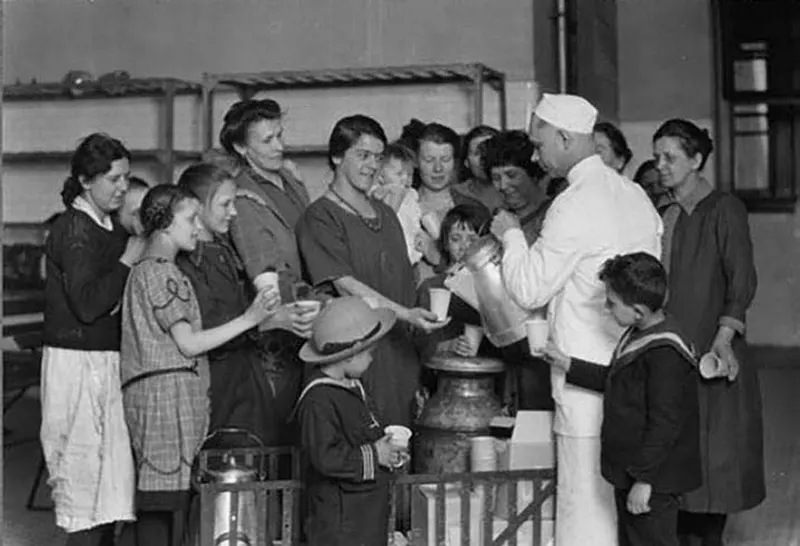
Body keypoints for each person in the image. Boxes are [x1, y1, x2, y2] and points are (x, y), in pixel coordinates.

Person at [491, 93, 663, 546]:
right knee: (623, 509)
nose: (534, 153)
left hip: (581, 379)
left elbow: (529, 288)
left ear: (565, 138)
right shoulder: (635, 195)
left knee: (583, 509)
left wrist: (510, 234)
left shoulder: (573, 202)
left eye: (538, 141)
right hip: (630, 372)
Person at [119, 184, 278, 545]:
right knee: (162, 501)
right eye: (189, 219)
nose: (196, 227)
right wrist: (250, 318)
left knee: (165, 499)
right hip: (165, 401)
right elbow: (188, 343)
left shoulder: (154, 271)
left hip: (167, 397)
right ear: (164, 224)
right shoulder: (161, 273)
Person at [653, 118, 764, 546]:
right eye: (657, 156)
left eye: (671, 158)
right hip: (673, 353)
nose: (661, 166)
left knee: (712, 465)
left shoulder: (723, 209)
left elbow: (741, 283)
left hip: (712, 353)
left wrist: (721, 343)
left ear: (697, 160)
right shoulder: (665, 215)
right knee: (678, 463)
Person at [296, 114, 445, 428]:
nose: (372, 166)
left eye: (378, 158)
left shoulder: (387, 215)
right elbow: (346, 286)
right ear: (337, 156)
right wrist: (405, 314)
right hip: (359, 356)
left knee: (407, 446)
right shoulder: (320, 217)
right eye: (362, 155)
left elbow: (404, 278)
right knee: (370, 448)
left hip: (403, 354)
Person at [545, 253, 701, 546]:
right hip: (635, 471)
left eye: (612, 302)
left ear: (638, 310)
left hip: (652, 478)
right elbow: (620, 382)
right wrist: (567, 363)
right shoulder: (642, 330)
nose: (607, 307)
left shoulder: (665, 353)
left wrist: (644, 480)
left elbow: (665, 423)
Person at [39, 133, 142, 546]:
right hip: (76, 366)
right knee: (83, 490)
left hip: (104, 363)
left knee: (108, 492)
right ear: (85, 180)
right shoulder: (73, 228)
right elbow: (87, 304)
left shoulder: (108, 226)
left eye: (126, 179)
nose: (122, 188)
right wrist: (127, 261)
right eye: (113, 179)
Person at [176, 163, 318, 445]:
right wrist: (271, 320)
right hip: (217, 380)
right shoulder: (189, 263)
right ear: (196, 207)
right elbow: (213, 324)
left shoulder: (224, 251)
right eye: (225, 204)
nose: (234, 212)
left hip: (246, 375)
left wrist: (282, 315)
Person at [219, 98, 317, 442]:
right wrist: (294, 308)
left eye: (279, 135)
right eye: (266, 140)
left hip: (309, 317)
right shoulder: (244, 200)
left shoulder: (290, 182)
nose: (279, 146)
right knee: (278, 435)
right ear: (241, 147)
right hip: (278, 336)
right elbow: (264, 276)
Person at [294, 296, 406, 546]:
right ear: (348, 356)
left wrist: (388, 451)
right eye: (369, 353)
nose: (372, 359)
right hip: (340, 524)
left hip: (365, 516)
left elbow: (364, 433)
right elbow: (325, 458)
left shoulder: (354, 386)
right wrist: (375, 454)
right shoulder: (318, 400)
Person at [482, 130, 557, 411]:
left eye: (512, 175)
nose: (503, 185)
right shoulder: (498, 221)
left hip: (544, 344)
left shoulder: (554, 216)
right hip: (505, 343)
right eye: (496, 177)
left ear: (534, 173)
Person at [401, 120, 486, 281]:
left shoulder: (472, 208)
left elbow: (485, 271)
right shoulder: (402, 208)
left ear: (455, 162)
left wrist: (438, 257)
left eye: (445, 159)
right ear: (415, 161)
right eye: (429, 160)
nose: (438, 168)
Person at [416, 203, 493, 362]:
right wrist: (448, 346)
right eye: (455, 239)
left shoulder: (495, 285)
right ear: (445, 243)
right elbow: (419, 344)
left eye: (473, 239)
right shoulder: (432, 287)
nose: (464, 246)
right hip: (443, 375)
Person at [369, 141, 423, 265]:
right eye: (399, 174)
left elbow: (416, 217)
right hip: (389, 259)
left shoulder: (412, 194)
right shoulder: (380, 192)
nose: (405, 179)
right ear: (381, 176)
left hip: (412, 257)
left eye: (410, 174)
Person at [452, 125, 504, 211]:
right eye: (477, 153)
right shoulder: (455, 195)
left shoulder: (520, 192)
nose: (484, 158)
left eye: (489, 151)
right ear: (466, 162)